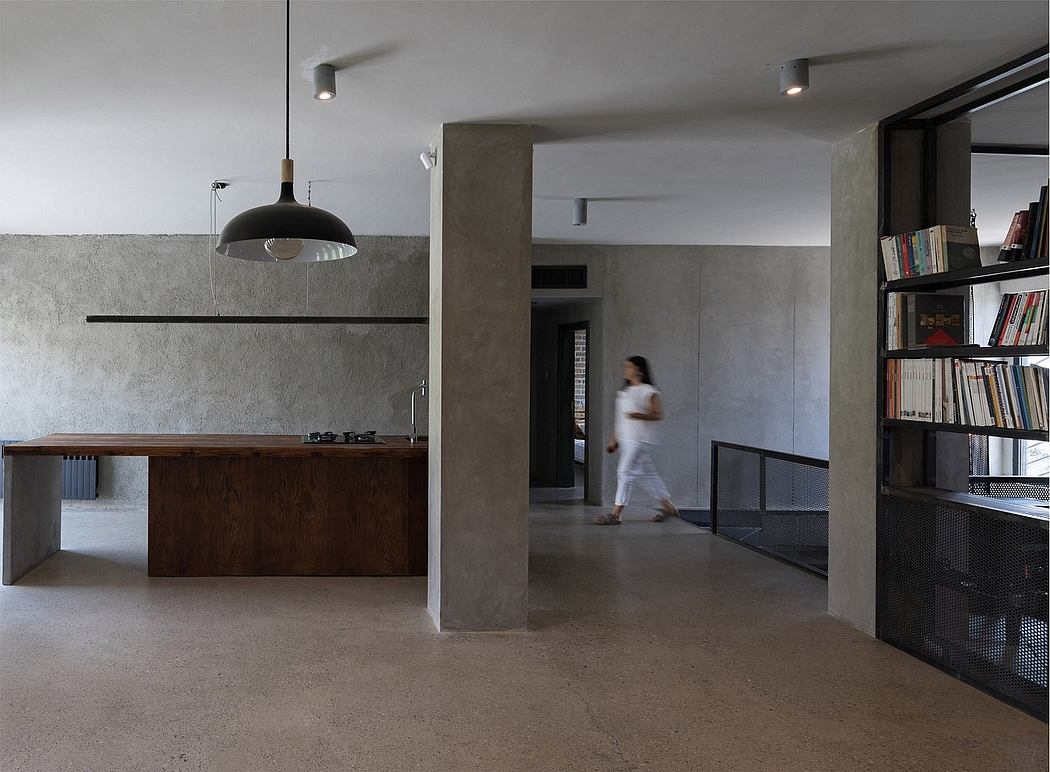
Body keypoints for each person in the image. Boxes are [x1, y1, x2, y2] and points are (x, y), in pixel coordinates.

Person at [593, 356, 680, 525]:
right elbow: (620, 420)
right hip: (626, 439)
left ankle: (616, 514)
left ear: (640, 370)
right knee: (647, 474)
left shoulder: (649, 391)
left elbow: (658, 414)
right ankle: (668, 507)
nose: (625, 370)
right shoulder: (623, 393)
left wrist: (640, 415)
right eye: (625, 366)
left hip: (640, 440)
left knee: (625, 472)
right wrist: (614, 439)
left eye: (629, 367)